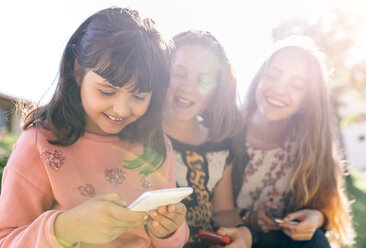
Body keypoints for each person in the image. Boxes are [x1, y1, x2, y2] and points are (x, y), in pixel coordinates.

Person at [0, 7, 189, 248]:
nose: (121, 109)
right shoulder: (39, 144)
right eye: (107, 91)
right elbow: (6, 240)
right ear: (78, 70)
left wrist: (169, 230)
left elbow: (175, 240)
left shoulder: (156, 143)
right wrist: (65, 228)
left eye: (139, 96)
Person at [232, 36, 355, 247]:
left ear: (307, 99)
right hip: (231, 237)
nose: (279, 89)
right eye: (272, 75)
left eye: (296, 85)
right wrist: (249, 218)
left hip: (280, 242)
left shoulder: (310, 145)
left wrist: (317, 218)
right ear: (260, 77)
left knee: (316, 241)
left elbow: (328, 210)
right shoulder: (228, 132)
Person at [163, 30, 252, 248]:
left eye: (203, 81)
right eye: (179, 73)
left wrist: (241, 233)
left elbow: (223, 210)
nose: (188, 87)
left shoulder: (219, 147)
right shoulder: (140, 134)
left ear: (215, 90)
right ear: (162, 72)